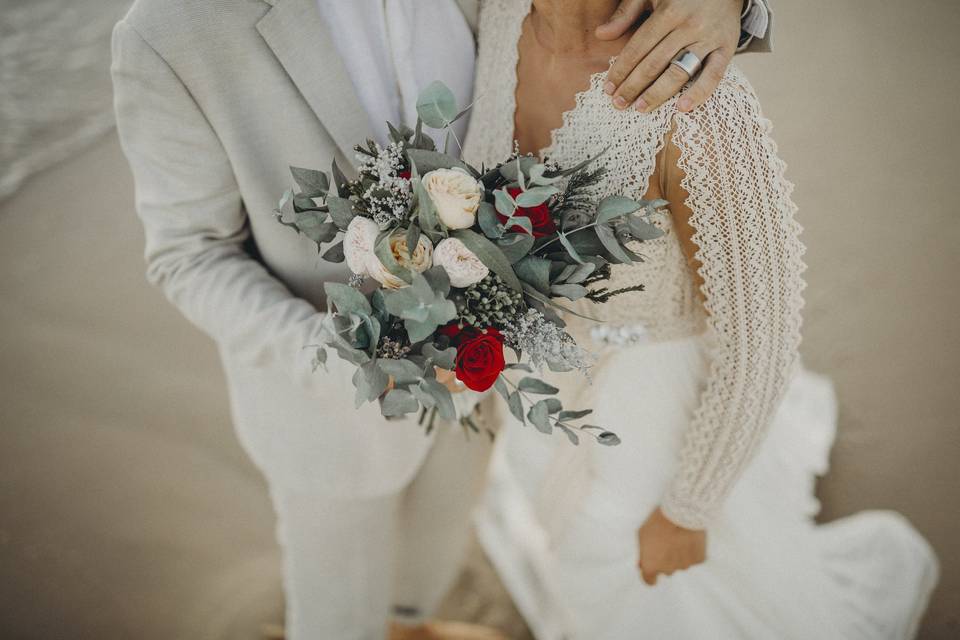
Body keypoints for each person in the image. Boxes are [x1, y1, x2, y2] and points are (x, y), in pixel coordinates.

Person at [110, 0, 764, 637]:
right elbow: (188, 255)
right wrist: (358, 356)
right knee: (339, 619)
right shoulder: (172, 29)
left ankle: (410, 623)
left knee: (428, 566)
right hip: (333, 414)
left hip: (489, 389)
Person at [463, 1, 940, 638]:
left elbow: (761, 341)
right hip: (536, 399)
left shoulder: (700, 105)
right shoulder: (498, 23)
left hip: (649, 423)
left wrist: (689, 510)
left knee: (645, 591)